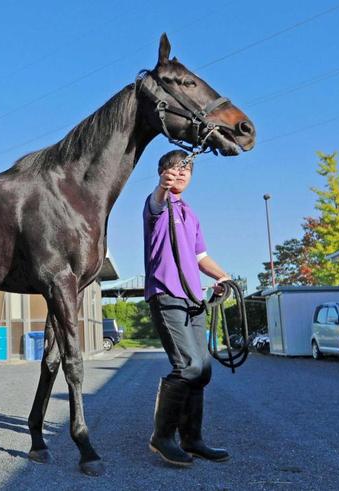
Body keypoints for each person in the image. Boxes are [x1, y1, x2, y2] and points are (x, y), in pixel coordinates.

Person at [143, 149, 231, 467]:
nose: (179, 175)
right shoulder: (158, 204)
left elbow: (199, 258)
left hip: (195, 300)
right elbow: (156, 199)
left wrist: (222, 276)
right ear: (162, 172)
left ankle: (192, 440)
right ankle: (161, 437)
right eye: (172, 170)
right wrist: (163, 186)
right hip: (167, 295)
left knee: (202, 370)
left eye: (185, 171)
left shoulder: (190, 213)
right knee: (188, 366)